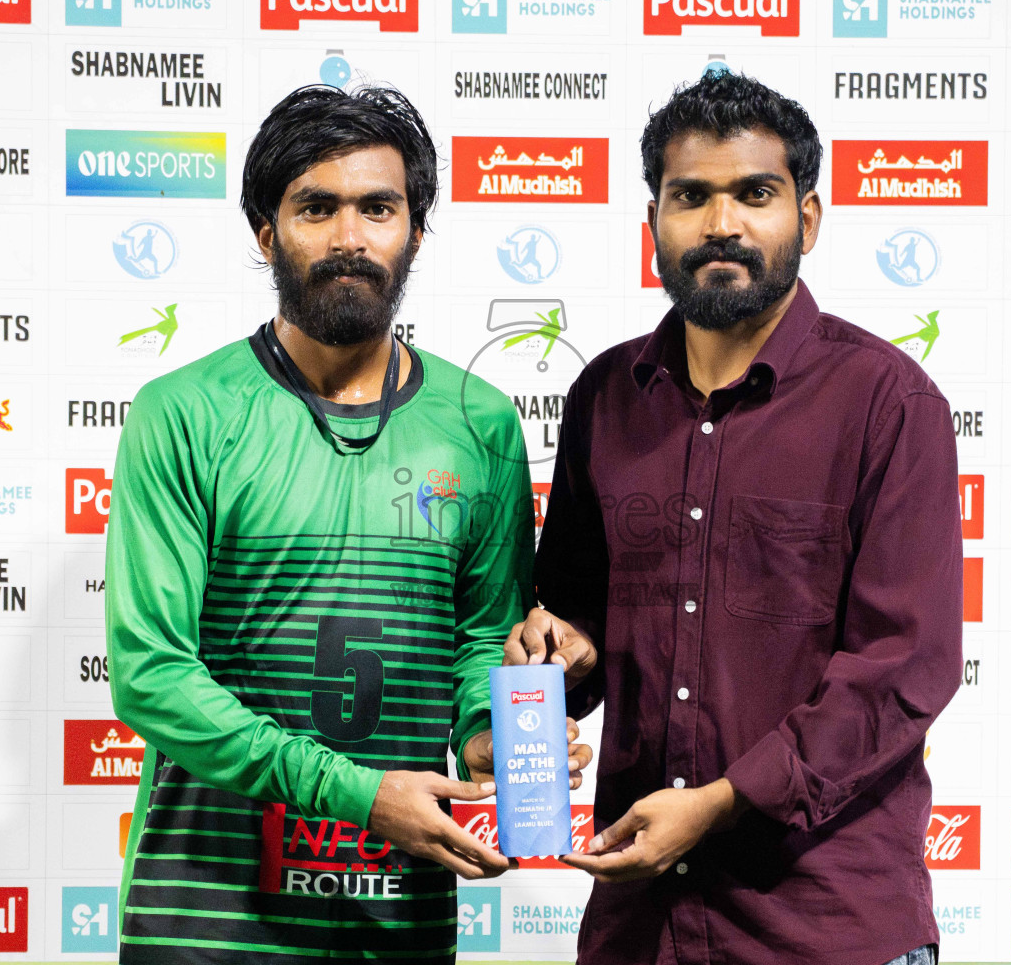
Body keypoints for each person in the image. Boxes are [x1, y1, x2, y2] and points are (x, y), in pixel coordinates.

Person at [106, 84, 587, 964]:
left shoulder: (480, 422)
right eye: (316, 208)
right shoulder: (183, 412)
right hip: (207, 917)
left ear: (414, 229)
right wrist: (357, 793)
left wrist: (493, 738)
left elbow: (482, 638)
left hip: (397, 912)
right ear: (265, 234)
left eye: (377, 208)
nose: (349, 238)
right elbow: (150, 676)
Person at [509, 71, 963, 965]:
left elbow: (903, 668)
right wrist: (561, 652)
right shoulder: (605, 395)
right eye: (691, 197)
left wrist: (719, 802)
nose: (722, 224)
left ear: (810, 218)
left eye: (755, 194)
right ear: (653, 226)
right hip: (640, 928)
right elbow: (578, 625)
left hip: (827, 928)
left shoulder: (888, 402)